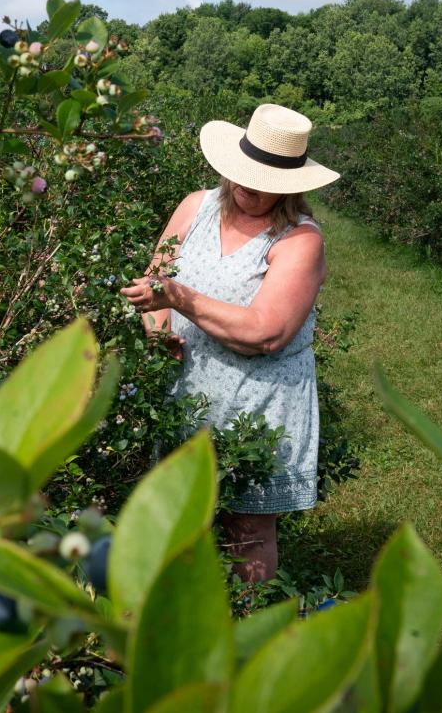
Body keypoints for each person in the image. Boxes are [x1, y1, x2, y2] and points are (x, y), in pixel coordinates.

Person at [119, 103, 340, 583]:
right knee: (181, 512)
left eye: (264, 183)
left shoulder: (299, 241)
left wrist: (178, 298)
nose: (248, 188)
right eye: (243, 175)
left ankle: (245, 627)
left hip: (257, 402)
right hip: (187, 392)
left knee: (247, 528)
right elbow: (157, 279)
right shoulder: (195, 207)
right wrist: (158, 327)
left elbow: (266, 332)